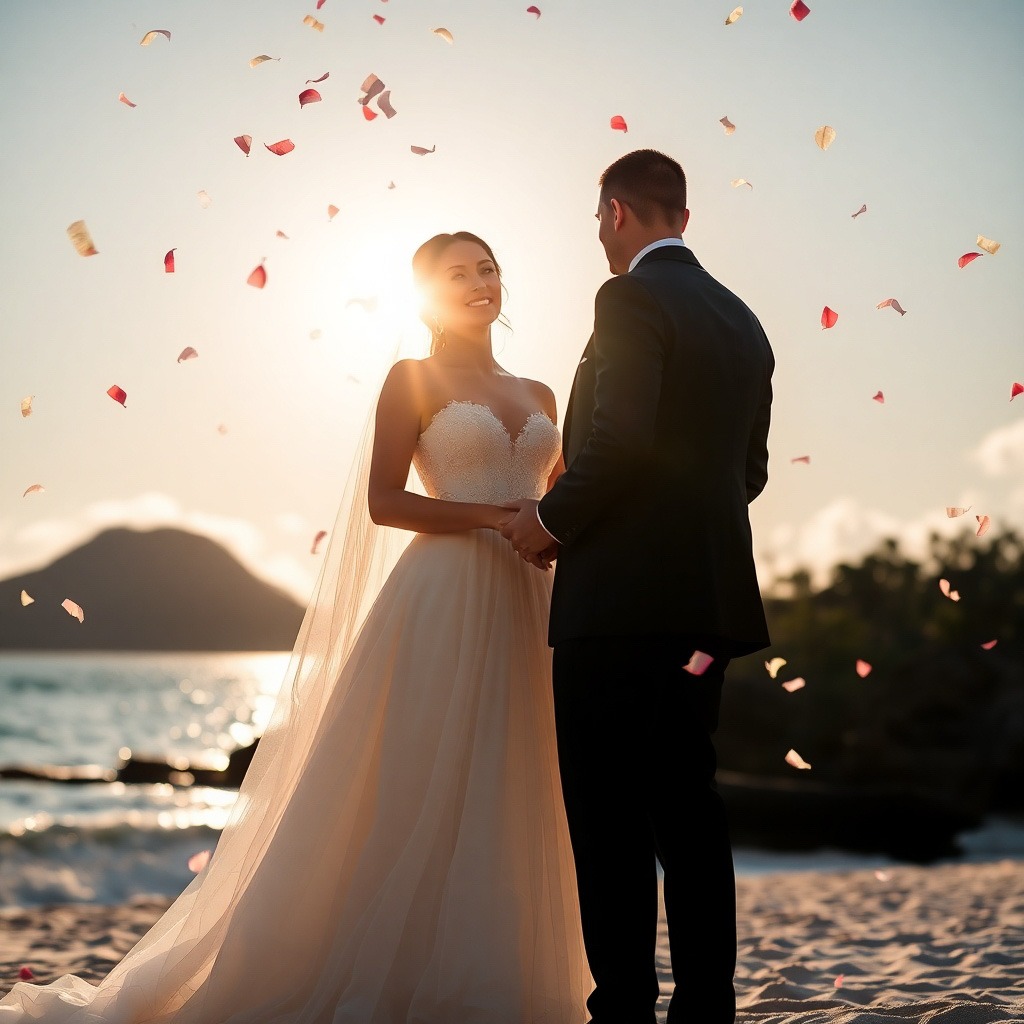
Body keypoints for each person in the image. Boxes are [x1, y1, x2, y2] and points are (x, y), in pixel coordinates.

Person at [0, 231, 590, 1022]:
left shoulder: (544, 394)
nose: (480, 284)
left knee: (520, 780)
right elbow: (386, 502)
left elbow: (559, 500)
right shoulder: (410, 379)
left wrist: (548, 528)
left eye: (487, 269)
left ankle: (499, 973)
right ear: (428, 295)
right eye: (458, 275)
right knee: (421, 779)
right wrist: (498, 516)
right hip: (443, 597)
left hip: (529, 603)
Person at [500, 149, 775, 1024]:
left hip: (617, 613)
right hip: (705, 615)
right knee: (690, 806)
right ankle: (706, 1010)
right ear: (682, 217)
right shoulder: (744, 321)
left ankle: (622, 1009)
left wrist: (548, 523)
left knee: (610, 814)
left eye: (596, 219)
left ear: (617, 213)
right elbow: (750, 474)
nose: (598, 234)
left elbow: (619, 443)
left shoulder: (627, 298)